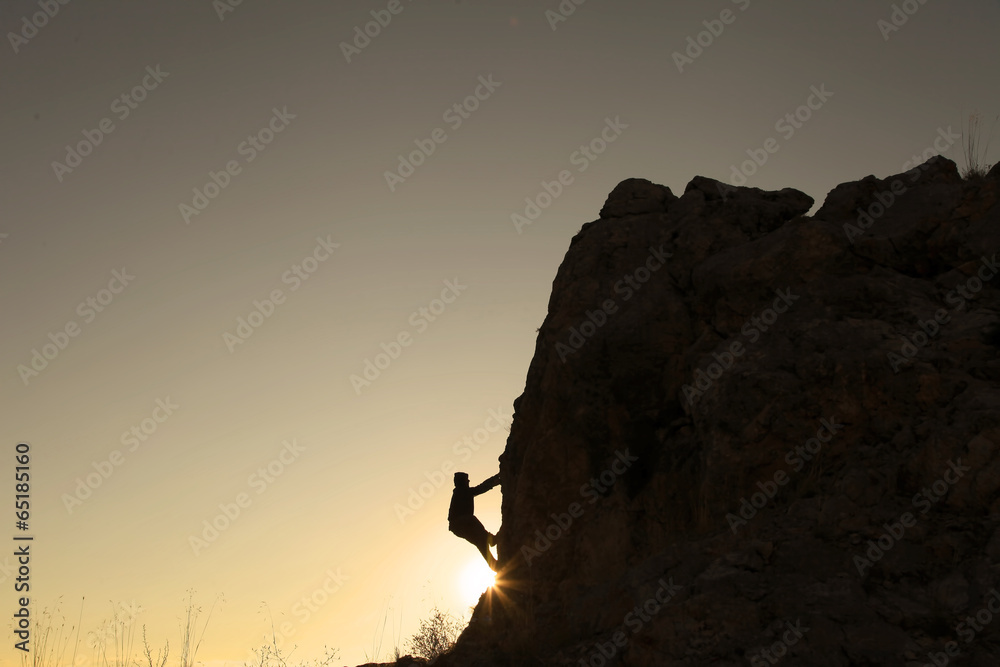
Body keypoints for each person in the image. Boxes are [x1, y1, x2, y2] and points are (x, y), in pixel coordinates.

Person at [448, 472, 500, 570]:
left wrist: (495, 480)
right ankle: (491, 539)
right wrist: (496, 478)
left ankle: (495, 566)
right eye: (467, 481)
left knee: (480, 542)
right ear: (462, 482)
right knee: (471, 519)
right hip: (461, 523)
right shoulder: (461, 491)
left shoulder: (461, 492)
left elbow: (480, 488)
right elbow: (480, 488)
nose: (468, 482)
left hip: (458, 527)